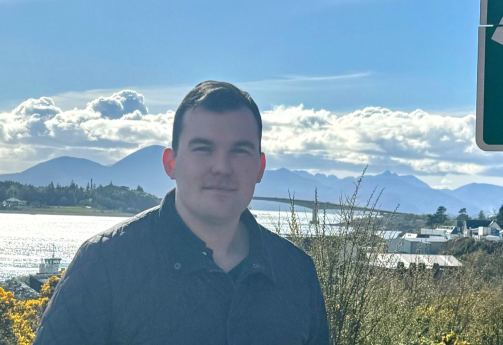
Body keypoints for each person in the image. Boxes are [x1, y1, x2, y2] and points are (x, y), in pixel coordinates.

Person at [33, 81, 330, 345]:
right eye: (203, 148)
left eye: (240, 150)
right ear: (171, 163)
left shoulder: (296, 273)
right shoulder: (106, 264)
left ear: (260, 168)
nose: (222, 167)